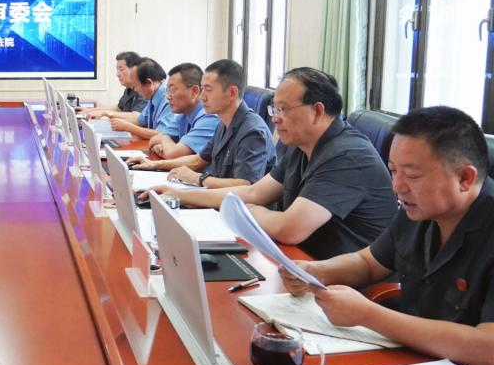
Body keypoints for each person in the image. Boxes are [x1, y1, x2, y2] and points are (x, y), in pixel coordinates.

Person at [281, 106, 494, 365]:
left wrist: (367, 315)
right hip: (415, 363)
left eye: (412, 176)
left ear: (464, 178)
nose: (397, 186)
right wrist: (317, 271)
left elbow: (488, 350)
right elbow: (369, 262)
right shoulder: (420, 208)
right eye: (393, 171)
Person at [157, 67, 396, 259]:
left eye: (283, 109)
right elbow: (253, 192)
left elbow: (289, 229)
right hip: (298, 261)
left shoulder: (347, 156)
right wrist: (179, 195)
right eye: (274, 108)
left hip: (342, 283)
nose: (274, 118)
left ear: (317, 111)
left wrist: (248, 211)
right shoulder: (300, 146)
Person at [130, 59, 273, 188]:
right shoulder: (223, 124)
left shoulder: (252, 131)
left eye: (208, 90)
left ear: (231, 93)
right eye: (202, 88)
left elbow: (244, 185)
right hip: (216, 197)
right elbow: (199, 160)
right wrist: (154, 164)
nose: (202, 96)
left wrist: (198, 178)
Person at [146, 63, 220, 159]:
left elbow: (173, 154)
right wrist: (163, 142)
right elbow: (154, 140)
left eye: (172, 90)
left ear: (194, 92)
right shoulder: (182, 115)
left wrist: (164, 140)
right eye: (167, 90)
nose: (168, 97)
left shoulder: (209, 117)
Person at [104, 58, 173, 140]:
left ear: (149, 83)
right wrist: (114, 121)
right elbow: (140, 120)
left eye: (136, 86)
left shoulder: (169, 98)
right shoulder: (154, 94)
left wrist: (128, 127)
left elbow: (162, 135)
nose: (135, 90)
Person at [82, 51, 147, 123]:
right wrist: (89, 111)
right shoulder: (129, 88)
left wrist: (105, 113)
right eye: (117, 70)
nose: (117, 74)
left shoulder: (143, 88)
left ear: (134, 69)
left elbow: (137, 117)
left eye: (121, 69)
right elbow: (118, 108)